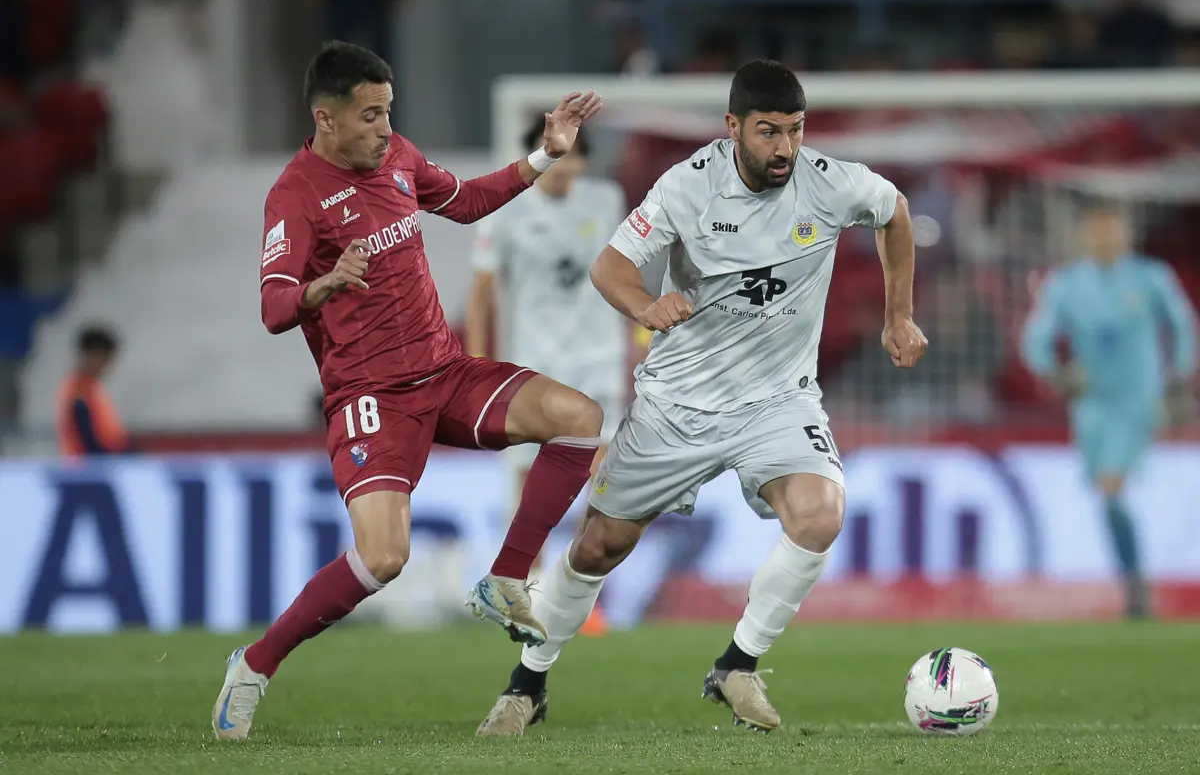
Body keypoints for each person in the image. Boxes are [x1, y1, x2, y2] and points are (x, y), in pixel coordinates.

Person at [475, 60, 927, 737]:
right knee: (598, 547)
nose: (783, 148)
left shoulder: (830, 184)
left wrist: (899, 315)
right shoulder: (687, 187)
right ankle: (527, 682)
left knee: (820, 513)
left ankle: (737, 663)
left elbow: (895, 212)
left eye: (795, 131)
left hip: (779, 402)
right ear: (733, 127)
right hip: (679, 403)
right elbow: (611, 266)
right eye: (768, 131)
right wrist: (646, 305)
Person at [212, 41, 603, 741]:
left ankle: (504, 578)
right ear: (325, 120)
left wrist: (544, 155)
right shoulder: (295, 194)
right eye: (369, 115)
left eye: (388, 111)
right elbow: (274, 307)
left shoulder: (397, 158)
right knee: (385, 558)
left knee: (578, 418)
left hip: (445, 372)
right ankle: (255, 665)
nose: (385, 128)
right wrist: (323, 285)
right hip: (371, 396)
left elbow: (465, 201)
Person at [465, 119, 643, 636]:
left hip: (595, 361)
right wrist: (477, 364)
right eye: (554, 155)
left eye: (573, 156)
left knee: (605, 481)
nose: (564, 166)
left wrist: (639, 342)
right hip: (533, 366)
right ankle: (530, 592)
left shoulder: (606, 201)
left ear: (585, 161)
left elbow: (630, 270)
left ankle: (581, 593)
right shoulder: (505, 208)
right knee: (527, 480)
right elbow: (481, 294)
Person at [1021, 200, 1197, 619]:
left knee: (1112, 488)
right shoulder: (1065, 284)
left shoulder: (1151, 278)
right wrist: (1058, 373)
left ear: (1128, 234)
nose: (1107, 238)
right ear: (1085, 236)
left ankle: (1136, 586)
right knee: (1106, 495)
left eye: (1114, 229)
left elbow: (1183, 324)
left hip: (1138, 402)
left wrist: (1178, 380)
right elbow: (1037, 339)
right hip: (1092, 406)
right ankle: (1133, 579)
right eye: (1099, 230)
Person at [57, 325, 133, 458]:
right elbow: (88, 437)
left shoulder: (92, 388)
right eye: (105, 359)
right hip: (91, 467)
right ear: (91, 355)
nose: (107, 366)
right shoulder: (79, 390)